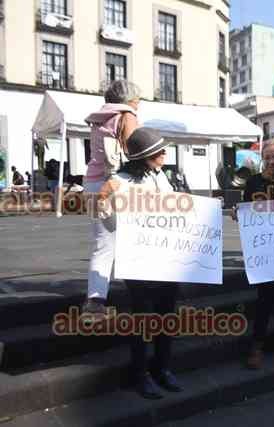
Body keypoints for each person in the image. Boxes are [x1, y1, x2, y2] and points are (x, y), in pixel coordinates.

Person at [97, 127, 182, 399]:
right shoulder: (119, 181)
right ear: (144, 156)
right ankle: (140, 373)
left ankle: (162, 368)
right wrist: (104, 202)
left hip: (166, 259)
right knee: (143, 319)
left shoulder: (162, 177)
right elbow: (106, 219)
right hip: (139, 261)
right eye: (159, 151)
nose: (164, 153)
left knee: (167, 316)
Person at [233, 139, 274, 369]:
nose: (272, 161)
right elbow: (245, 210)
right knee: (265, 301)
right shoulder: (253, 183)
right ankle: (257, 345)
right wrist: (238, 213)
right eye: (267, 157)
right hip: (264, 252)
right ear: (263, 161)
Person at [81, 80, 141, 322]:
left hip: (92, 183)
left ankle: (95, 302)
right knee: (135, 236)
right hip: (115, 183)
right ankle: (139, 295)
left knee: (103, 244)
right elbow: (134, 151)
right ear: (129, 99)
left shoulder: (99, 118)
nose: (139, 104)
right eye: (137, 99)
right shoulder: (127, 115)